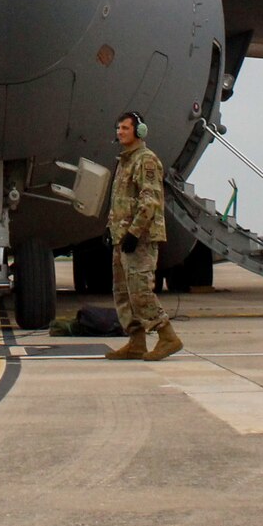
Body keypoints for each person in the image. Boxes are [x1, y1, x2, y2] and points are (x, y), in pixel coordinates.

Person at [104, 112, 182, 361]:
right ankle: (136, 341)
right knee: (123, 292)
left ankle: (167, 336)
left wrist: (135, 233)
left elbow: (150, 201)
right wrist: (111, 229)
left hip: (140, 239)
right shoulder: (125, 161)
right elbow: (118, 201)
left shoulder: (146, 161)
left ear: (140, 131)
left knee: (140, 290)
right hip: (121, 237)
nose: (120, 132)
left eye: (125, 128)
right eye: (118, 128)